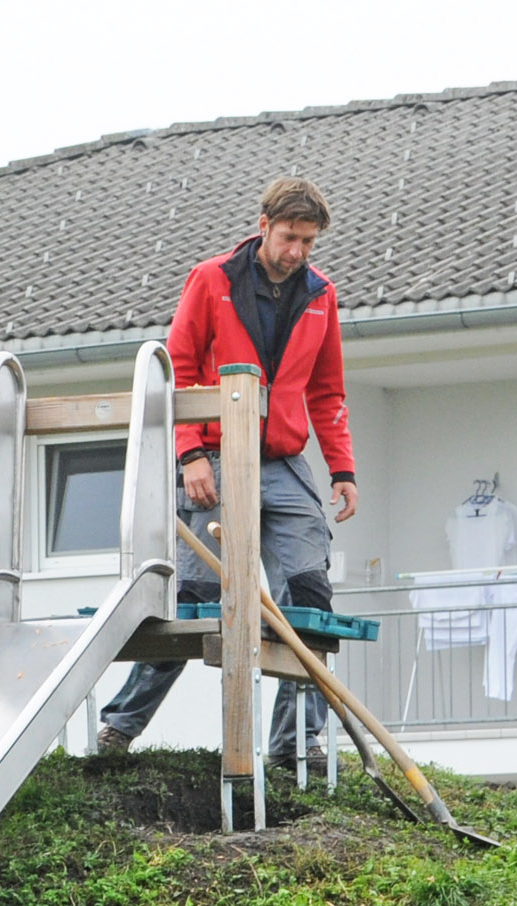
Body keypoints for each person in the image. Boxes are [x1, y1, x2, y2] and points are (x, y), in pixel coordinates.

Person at [96, 176, 358, 757]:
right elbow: (178, 369)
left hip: (283, 462)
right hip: (212, 458)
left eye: (308, 242)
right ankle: (120, 727)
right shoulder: (212, 279)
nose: (297, 252)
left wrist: (342, 468)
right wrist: (189, 453)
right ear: (264, 226)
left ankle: (295, 744)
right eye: (289, 238)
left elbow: (326, 391)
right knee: (193, 605)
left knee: (310, 599)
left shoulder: (322, 295)